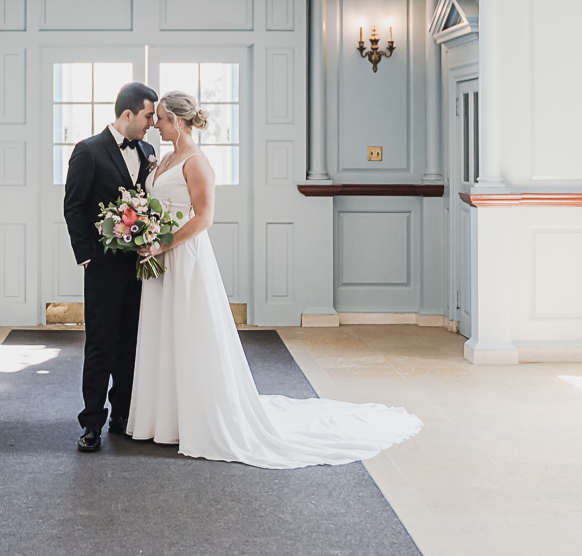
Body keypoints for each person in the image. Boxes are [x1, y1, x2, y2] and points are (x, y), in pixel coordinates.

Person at [127, 90, 423, 468]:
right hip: (159, 259)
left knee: (188, 333)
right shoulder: (163, 158)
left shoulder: (197, 163)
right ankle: (163, 418)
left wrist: (163, 242)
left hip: (184, 257)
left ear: (180, 121)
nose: (156, 125)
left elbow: (203, 219)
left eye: (163, 119)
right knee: (162, 333)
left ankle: (196, 418)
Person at [63, 80, 157, 453]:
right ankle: (91, 423)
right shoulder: (88, 151)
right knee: (100, 344)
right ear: (128, 113)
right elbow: (73, 206)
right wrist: (86, 256)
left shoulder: (148, 150)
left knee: (131, 342)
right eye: (148, 116)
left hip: (140, 266)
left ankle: (122, 414)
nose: (152, 123)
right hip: (102, 266)